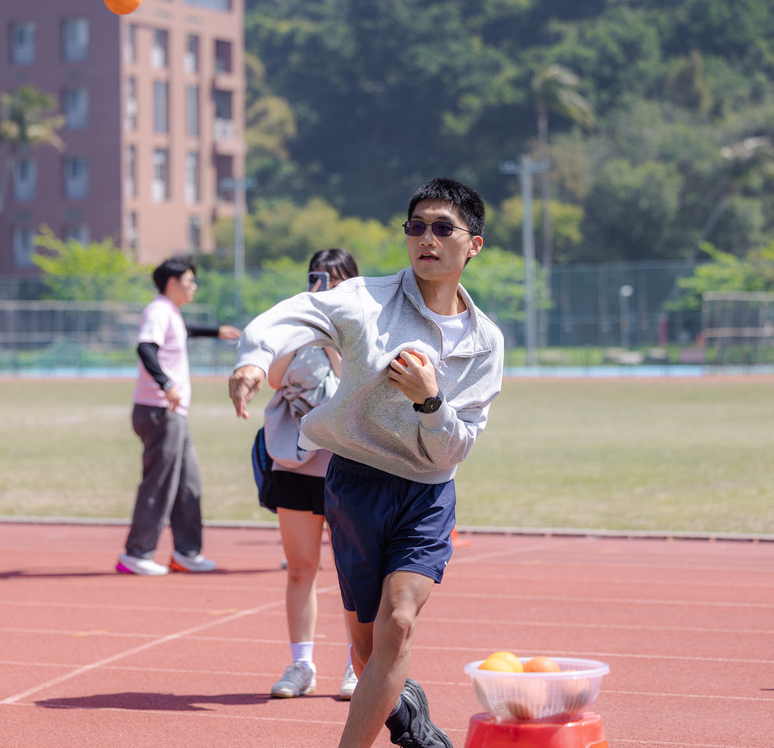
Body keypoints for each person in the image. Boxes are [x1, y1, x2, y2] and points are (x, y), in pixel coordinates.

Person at [229, 178, 504, 748]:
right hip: (355, 482)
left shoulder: (485, 342)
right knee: (366, 649)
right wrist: (254, 359)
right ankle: (407, 714)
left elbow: (455, 447)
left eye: (443, 228)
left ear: (473, 244)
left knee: (397, 621)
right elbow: (292, 314)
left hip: (426, 492)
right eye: (416, 227)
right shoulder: (365, 301)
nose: (427, 239)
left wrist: (430, 402)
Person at [264, 249, 360, 701]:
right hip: (297, 462)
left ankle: (358, 663)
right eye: (320, 280)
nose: (327, 289)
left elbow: (354, 383)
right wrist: (303, 323)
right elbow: (274, 377)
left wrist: (331, 335)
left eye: (338, 281)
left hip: (349, 465)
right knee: (301, 568)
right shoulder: (296, 325)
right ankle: (301, 665)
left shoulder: (364, 329)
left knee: (354, 571)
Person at [116, 255, 241, 577]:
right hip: (160, 411)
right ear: (172, 283)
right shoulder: (158, 310)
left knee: (188, 485)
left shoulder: (170, 313)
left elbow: (185, 332)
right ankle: (136, 553)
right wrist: (166, 384)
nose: (194, 286)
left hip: (173, 414)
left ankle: (186, 553)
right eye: (189, 281)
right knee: (159, 485)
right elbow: (145, 347)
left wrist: (216, 332)